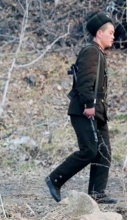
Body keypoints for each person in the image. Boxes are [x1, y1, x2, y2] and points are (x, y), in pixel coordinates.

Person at [46, 12, 117, 204]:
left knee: (104, 151)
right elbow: (84, 82)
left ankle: (97, 193)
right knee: (89, 150)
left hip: (97, 111)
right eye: (110, 32)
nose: (113, 36)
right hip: (84, 110)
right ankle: (55, 179)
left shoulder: (99, 53)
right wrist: (89, 104)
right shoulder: (91, 51)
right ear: (99, 33)